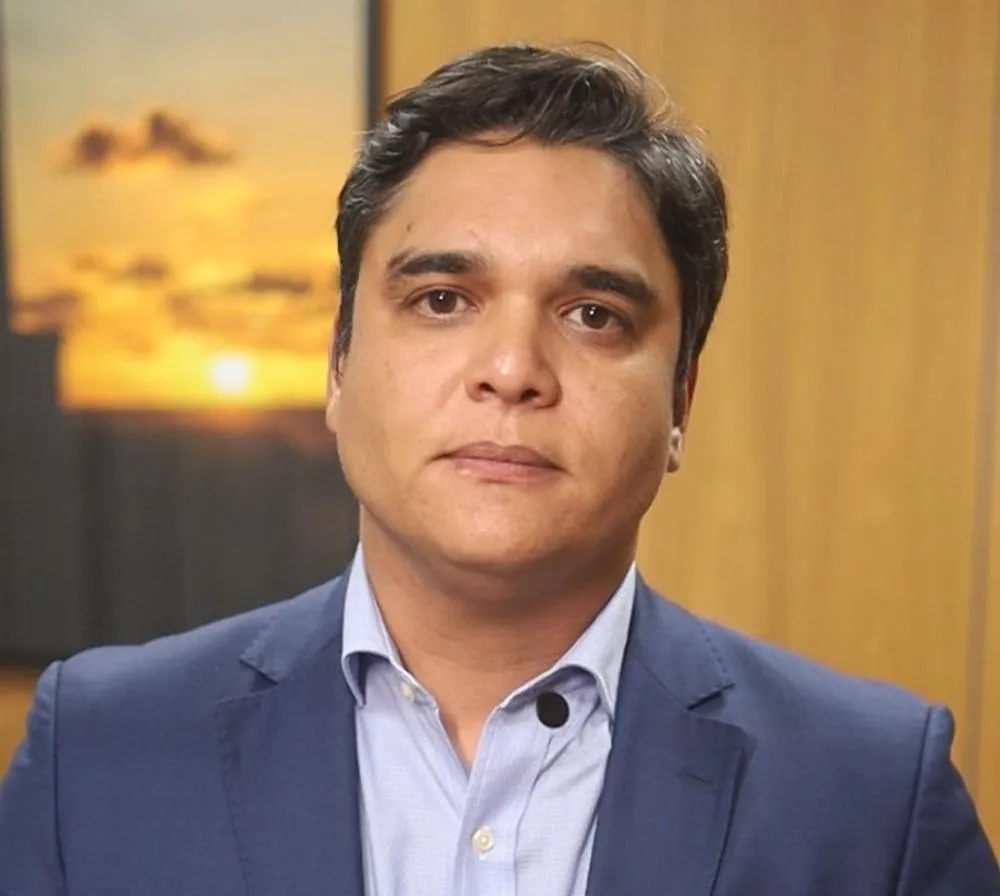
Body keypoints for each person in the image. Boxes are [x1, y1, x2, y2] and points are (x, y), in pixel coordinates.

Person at [1, 41, 998, 896]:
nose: (513, 370)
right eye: (442, 299)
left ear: (681, 401)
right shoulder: (98, 752)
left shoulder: (873, 799)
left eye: (594, 315)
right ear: (339, 363)